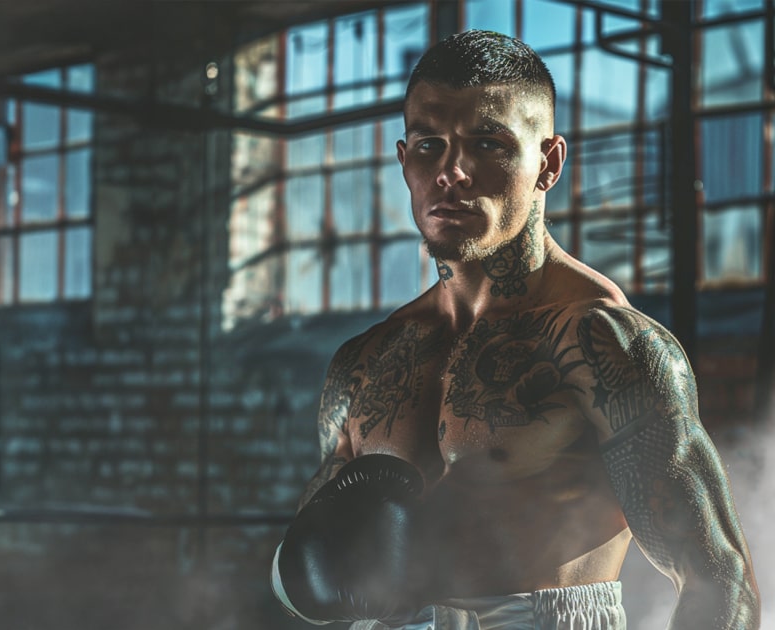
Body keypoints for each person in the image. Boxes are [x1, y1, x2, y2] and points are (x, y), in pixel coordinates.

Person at [270, 30, 760, 630]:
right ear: (404, 162)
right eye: (429, 145)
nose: (451, 171)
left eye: (486, 142)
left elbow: (718, 580)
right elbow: (309, 571)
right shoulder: (365, 361)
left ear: (547, 164)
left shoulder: (603, 342)